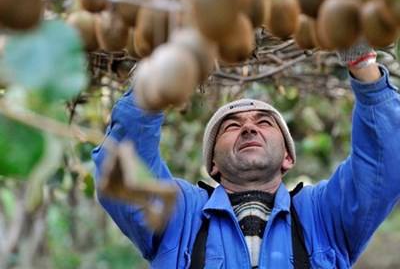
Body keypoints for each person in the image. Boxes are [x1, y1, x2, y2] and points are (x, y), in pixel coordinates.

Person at [92, 42, 400, 268]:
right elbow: (124, 168)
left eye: (264, 123)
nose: (249, 129)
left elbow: (384, 165)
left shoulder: (322, 215)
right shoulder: (180, 215)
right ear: (212, 162)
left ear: (287, 159)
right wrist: (158, 76)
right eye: (232, 126)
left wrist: (362, 63)